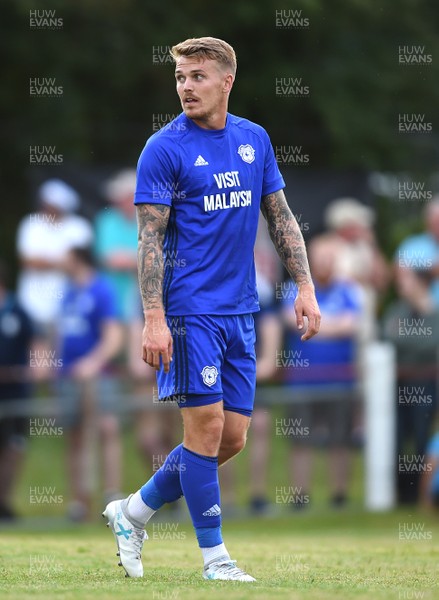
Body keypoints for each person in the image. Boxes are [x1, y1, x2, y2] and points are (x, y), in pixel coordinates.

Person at [103, 37, 320, 582]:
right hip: (188, 311)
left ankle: (132, 512)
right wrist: (153, 318)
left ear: (227, 81)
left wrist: (306, 287)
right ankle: (215, 559)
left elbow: (281, 217)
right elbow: (149, 240)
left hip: (240, 311)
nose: (185, 86)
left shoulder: (254, 139)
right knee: (204, 430)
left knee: (231, 439)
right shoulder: (163, 148)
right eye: (179, 77)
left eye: (197, 76)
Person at [283, 236, 361, 508]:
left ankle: (339, 496)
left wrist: (315, 326)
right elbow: (293, 323)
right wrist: (333, 326)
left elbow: (351, 326)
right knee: (300, 441)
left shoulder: (349, 290)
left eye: (331, 258)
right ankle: (300, 497)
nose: (326, 263)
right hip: (302, 381)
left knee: (340, 439)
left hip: (340, 379)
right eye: (321, 258)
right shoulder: (294, 288)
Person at [56, 247, 124, 521]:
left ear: (78, 259)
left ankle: (112, 497)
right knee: (75, 434)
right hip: (70, 375)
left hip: (100, 374)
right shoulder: (68, 292)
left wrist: (93, 363)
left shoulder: (102, 289)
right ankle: (80, 501)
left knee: (108, 427)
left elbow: (114, 336)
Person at [382, 266, 439, 503]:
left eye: (406, 280)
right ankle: (401, 493)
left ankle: (421, 493)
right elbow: (387, 337)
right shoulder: (397, 310)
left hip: (426, 385)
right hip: (398, 385)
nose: (401, 285)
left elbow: (430, 342)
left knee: (421, 437)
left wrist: (408, 341)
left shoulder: (434, 312)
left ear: (420, 283)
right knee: (395, 438)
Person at [16, 179, 93, 336]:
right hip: (31, 300)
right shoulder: (31, 224)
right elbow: (27, 261)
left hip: (68, 301)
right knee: (35, 346)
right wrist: (61, 262)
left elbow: (79, 264)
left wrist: (44, 261)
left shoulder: (79, 227)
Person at [0, 262, 34, 520]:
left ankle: (4, 501)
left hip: (15, 393)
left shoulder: (18, 309)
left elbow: (37, 344)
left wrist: (34, 370)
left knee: (13, 448)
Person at [94, 169, 139, 322]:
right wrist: (138, 260)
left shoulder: (150, 220)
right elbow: (110, 259)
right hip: (112, 299)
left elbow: (158, 258)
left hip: (143, 300)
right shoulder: (106, 220)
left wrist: (131, 259)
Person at [396, 197, 439, 306]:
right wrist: (430, 271)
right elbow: (402, 278)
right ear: (427, 221)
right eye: (436, 221)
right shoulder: (412, 245)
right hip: (422, 312)